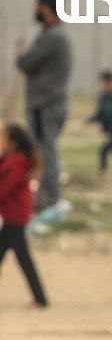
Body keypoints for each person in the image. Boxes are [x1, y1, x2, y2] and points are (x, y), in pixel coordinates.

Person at [16, 0, 72, 212]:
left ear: (45, 7)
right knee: (45, 150)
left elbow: (26, 63)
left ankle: (50, 200)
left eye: (37, 5)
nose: (34, 9)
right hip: (49, 104)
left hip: (44, 105)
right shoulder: (53, 35)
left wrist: (21, 53)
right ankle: (47, 197)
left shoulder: (52, 37)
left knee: (45, 152)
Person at [0, 123, 48, 307]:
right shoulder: (11, 160)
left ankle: (41, 299)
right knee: (22, 258)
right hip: (13, 215)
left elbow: (5, 188)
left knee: (24, 259)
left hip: (15, 216)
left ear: (12, 142)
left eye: (2, 138)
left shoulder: (16, 162)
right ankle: (40, 298)